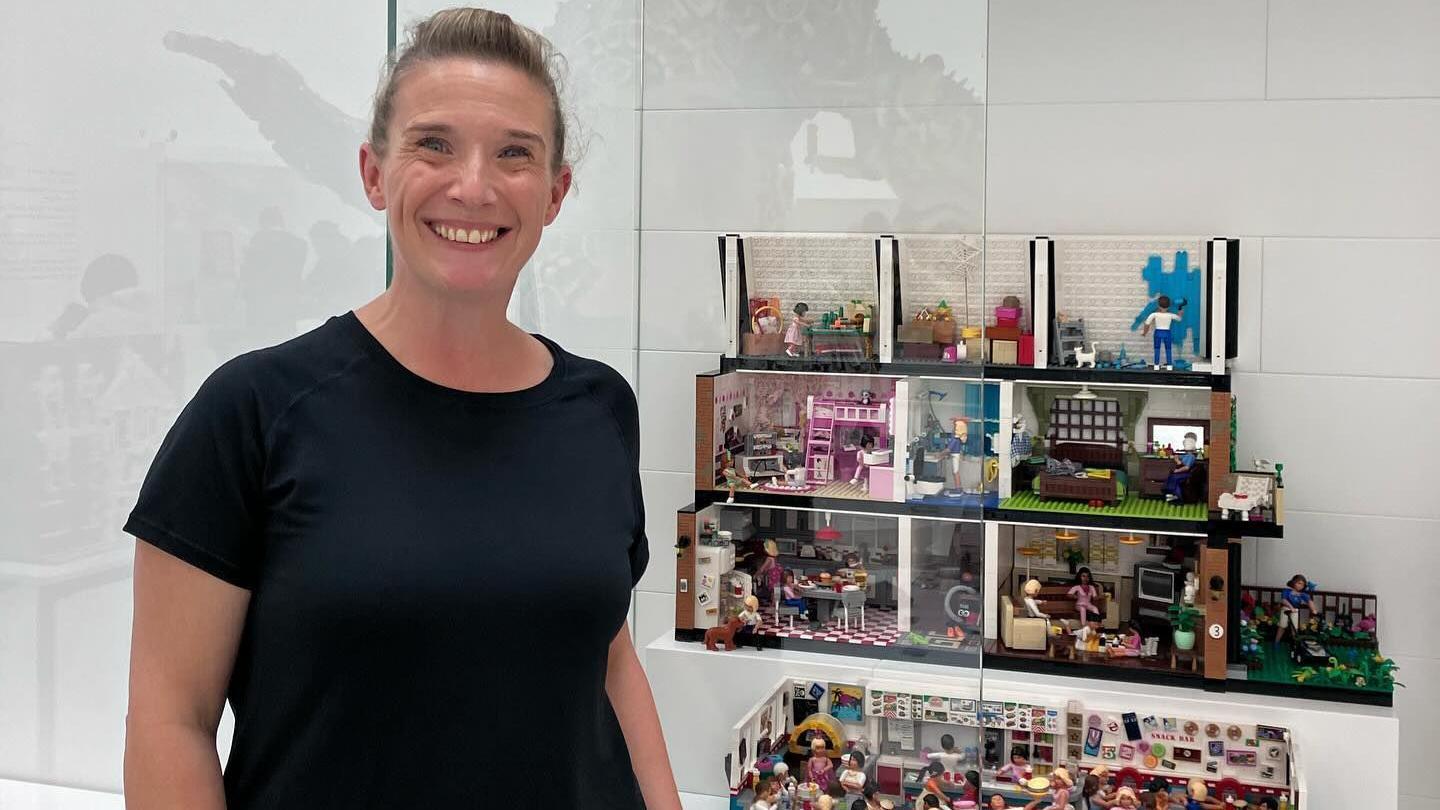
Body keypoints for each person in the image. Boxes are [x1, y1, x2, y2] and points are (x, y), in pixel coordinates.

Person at [120, 9, 680, 809]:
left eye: (514, 154)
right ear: (374, 173)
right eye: (434, 144)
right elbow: (169, 719)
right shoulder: (253, 413)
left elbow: (608, 652)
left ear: (555, 193)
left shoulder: (598, 407)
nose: (474, 186)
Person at [1141, 294, 1185, 369]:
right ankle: (1169, 366)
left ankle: (1156, 366)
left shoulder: (1154, 314)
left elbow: (1147, 323)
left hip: (1158, 333)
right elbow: (1179, 319)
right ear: (1169, 306)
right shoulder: (1170, 315)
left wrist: (1144, 333)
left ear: (1158, 305)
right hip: (1167, 333)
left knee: (1157, 349)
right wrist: (1180, 312)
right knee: (1168, 349)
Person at [1275, 573, 1314, 644]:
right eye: (1299, 583)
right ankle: (1277, 642)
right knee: (1282, 626)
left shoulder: (1302, 594)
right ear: (1293, 583)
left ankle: (1295, 643)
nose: (1300, 586)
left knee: (1294, 628)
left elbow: (1309, 601)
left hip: (1295, 611)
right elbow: (1284, 600)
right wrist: (1290, 607)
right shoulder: (1287, 591)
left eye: (1302, 584)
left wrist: (1313, 609)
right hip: (1285, 609)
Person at [1163, 433, 1200, 503]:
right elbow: (1179, 457)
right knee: (1172, 478)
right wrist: (1175, 456)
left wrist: (1177, 468)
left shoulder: (1191, 457)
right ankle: (1172, 496)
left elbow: (1186, 467)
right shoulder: (1186, 455)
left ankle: (1177, 498)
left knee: (1174, 479)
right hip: (1181, 472)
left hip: (1185, 474)